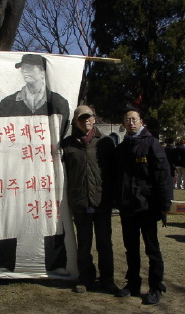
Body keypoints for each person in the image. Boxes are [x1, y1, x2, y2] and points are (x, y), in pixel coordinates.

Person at [60, 105, 129, 297]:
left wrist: (114, 198)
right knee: (83, 243)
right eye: (81, 118)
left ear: (94, 118)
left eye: (88, 117)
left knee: (104, 243)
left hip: (102, 201)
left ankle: (107, 280)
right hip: (80, 201)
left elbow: (114, 172)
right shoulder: (67, 145)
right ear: (76, 122)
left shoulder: (105, 142)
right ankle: (86, 278)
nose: (86, 121)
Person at [113, 108, 173, 305]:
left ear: (141, 121)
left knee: (152, 249)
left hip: (147, 207)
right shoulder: (122, 147)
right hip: (127, 207)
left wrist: (164, 205)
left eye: (134, 119)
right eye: (127, 119)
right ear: (123, 124)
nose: (131, 123)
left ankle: (156, 287)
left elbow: (163, 176)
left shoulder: (152, 144)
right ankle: (133, 283)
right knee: (131, 248)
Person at [0, 54, 70, 138]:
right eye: (22, 68)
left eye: (29, 68)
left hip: (48, 150)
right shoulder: (7, 103)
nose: (24, 71)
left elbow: (62, 134)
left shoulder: (59, 102)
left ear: (42, 72)